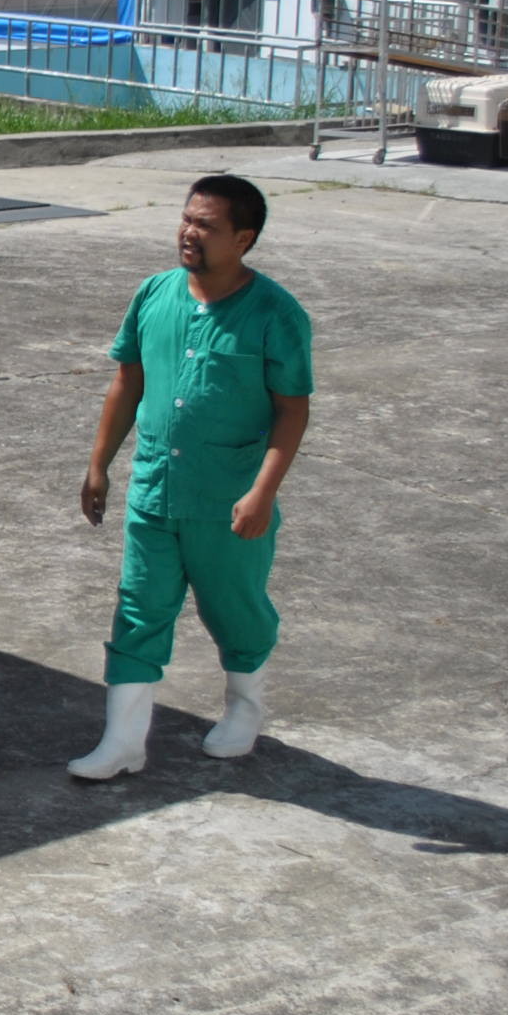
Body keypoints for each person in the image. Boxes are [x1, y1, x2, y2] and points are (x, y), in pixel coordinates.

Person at [71, 174, 312, 778]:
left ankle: (243, 709)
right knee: (137, 609)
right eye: (187, 219)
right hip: (155, 492)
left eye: (206, 225)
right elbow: (128, 381)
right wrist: (100, 464)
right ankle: (123, 743)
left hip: (228, 501)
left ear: (243, 238)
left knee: (234, 609)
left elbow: (292, 409)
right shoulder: (155, 294)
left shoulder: (275, 315)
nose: (188, 232)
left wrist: (262, 492)